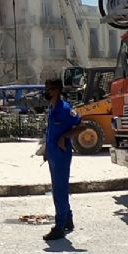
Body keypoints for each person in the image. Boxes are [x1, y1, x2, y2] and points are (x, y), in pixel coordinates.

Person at [41, 78, 82, 241]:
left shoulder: (65, 109)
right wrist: (46, 149)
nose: (47, 92)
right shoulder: (52, 108)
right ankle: (68, 219)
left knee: (59, 190)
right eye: (46, 88)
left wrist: (65, 137)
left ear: (57, 90)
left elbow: (82, 126)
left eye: (50, 89)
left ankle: (59, 227)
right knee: (59, 188)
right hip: (52, 154)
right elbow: (51, 131)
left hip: (62, 155)